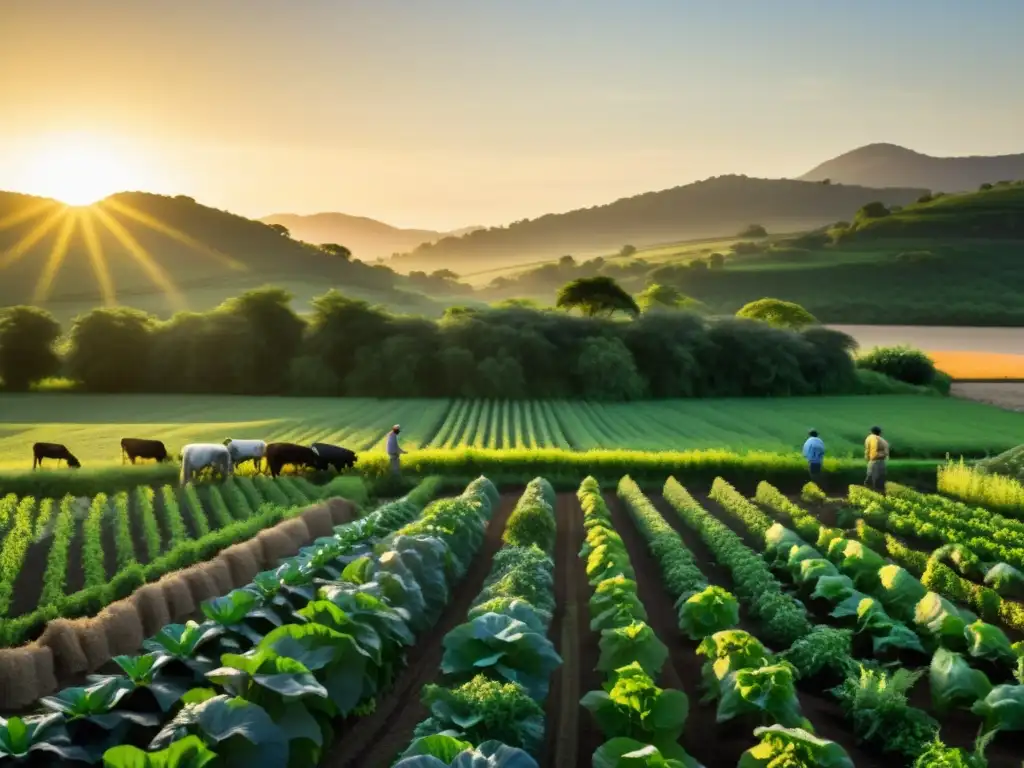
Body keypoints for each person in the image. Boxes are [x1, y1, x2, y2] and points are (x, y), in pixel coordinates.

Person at [864, 425, 890, 493]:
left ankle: (870, 495)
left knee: (871, 481)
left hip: (874, 462)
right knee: (880, 481)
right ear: (879, 432)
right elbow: (886, 452)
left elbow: (870, 452)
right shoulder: (882, 440)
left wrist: (868, 459)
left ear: (871, 432)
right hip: (881, 462)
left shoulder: (871, 438)